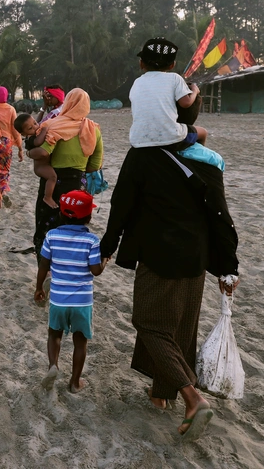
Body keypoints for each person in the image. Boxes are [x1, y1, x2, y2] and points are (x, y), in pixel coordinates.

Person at [100, 142, 239, 440]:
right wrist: (229, 266)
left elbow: (121, 202)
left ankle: (192, 399)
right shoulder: (208, 158)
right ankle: (159, 395)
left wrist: (107, 247)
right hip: (197, 255)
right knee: (180, 326)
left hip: (159, 253)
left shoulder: (143, 153)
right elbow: (219, 213)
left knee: (149, 322)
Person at [34, 191, 105, 393]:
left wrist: (39, 287)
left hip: (58, 299)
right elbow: (95, 271)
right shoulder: (92, 241)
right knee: (80, 342)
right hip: (82, 302)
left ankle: (53, 366)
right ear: (89, 217)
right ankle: (75, 382)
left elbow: (43, 265)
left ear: (61, 215)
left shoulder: (52, 236)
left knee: (54, 334)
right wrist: (105, 262)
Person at [27, 88, 103, 255]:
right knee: (74, 230)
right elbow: (95, 165)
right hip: (78, 187)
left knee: (46, 228)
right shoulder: (93, 130)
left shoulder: (53, 125)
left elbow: (42, 154)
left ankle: (46, 272)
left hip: (53, 184)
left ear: (67, 103)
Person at [130, 37, 224, 170]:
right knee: (203, 133)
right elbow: (186, 103)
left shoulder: (137, 83)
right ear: (171, 65)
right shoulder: (174, 78)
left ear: (141, 63)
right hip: (171, 138)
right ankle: (194, 159)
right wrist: (195, 92)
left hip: (137, 140)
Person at [15, 113, 60, 209]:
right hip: (41, 167)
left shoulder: (35, 132)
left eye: (35, 123)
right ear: (23, 134)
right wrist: (44, 130)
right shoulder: (30, 139)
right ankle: (47, 197)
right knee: (52, 177)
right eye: (30, 128)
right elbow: (38, 142)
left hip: (45, 164)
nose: (35, 127)